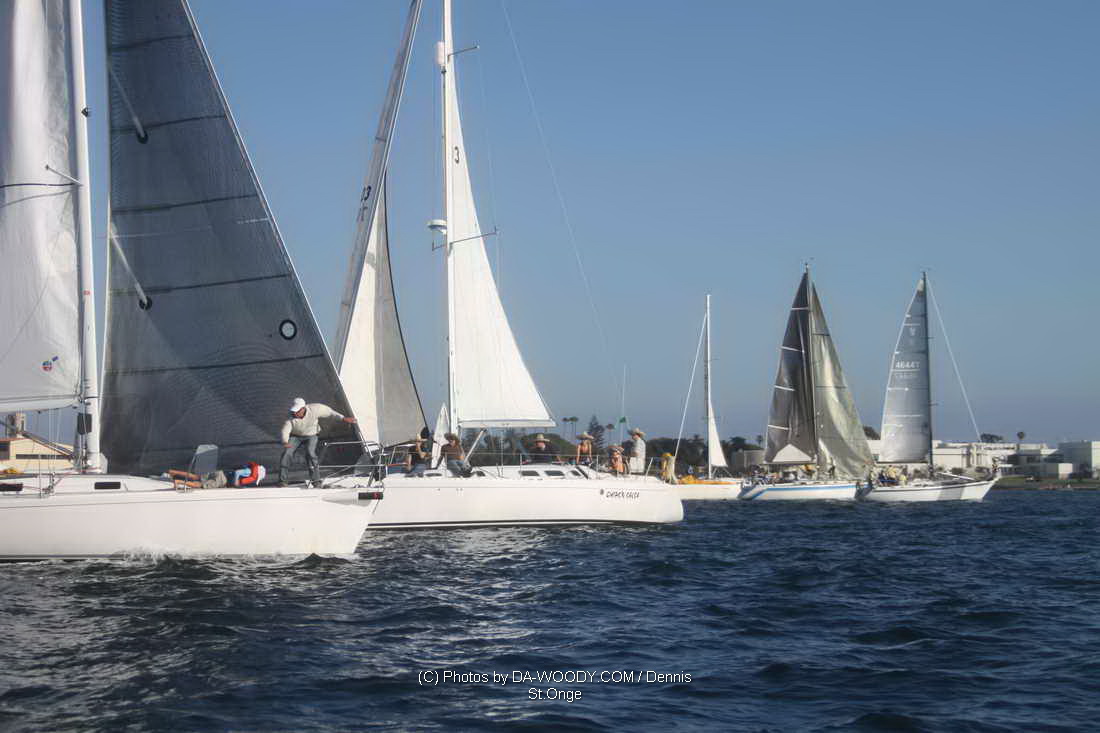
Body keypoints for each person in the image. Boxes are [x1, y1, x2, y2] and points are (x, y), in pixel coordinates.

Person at [279, 397, 357, 486]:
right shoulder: (290, 417)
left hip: (312, 435)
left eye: (297, 411)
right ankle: (282, 481)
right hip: (295, 436)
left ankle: (316, 481)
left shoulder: (315, 409)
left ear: (303, 408)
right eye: (294, 411)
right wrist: (285, 441)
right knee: (287, 453)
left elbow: (330, 412)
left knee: (310, 453)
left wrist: (343, 418)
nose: (295, 413)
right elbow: (285, 430)